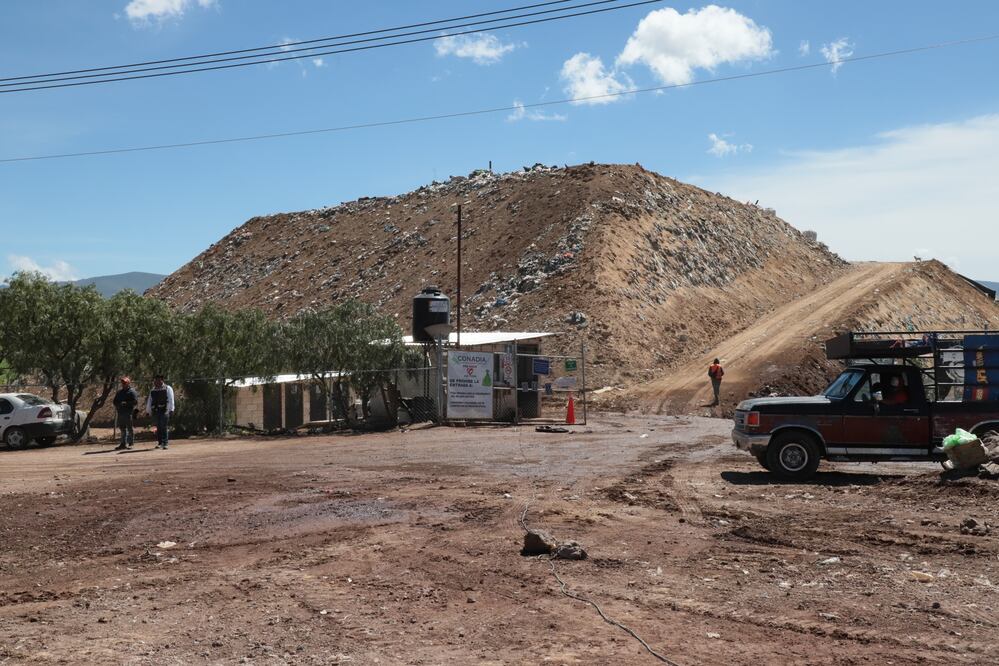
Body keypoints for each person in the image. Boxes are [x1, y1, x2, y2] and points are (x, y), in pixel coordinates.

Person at [146, 375, 175, 450]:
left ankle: (165, 443)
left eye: (158, 380)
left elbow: (171, 399)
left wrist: (171, 409)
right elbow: (150, 400)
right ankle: (160, 442)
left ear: (162, 380)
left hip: (165, 410)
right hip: (156, 410)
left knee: (163, 426)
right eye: (155, 380)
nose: (157, 382)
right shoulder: (153, 390)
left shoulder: (167, 388)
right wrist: (148, 411)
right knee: (158, 427)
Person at [112, 377, 139, 450]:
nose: (123, 384)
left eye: (125, 383)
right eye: (122, 383)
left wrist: (126, 403)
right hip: (121, 413)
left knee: (129, 428)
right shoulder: (119, 392)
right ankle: (123, 443)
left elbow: (135, 402)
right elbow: (114, 401)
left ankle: (131, 443)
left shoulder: (132, 392)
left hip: (128, 413)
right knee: (122, 429)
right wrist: (118, 405)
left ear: (128, 383)